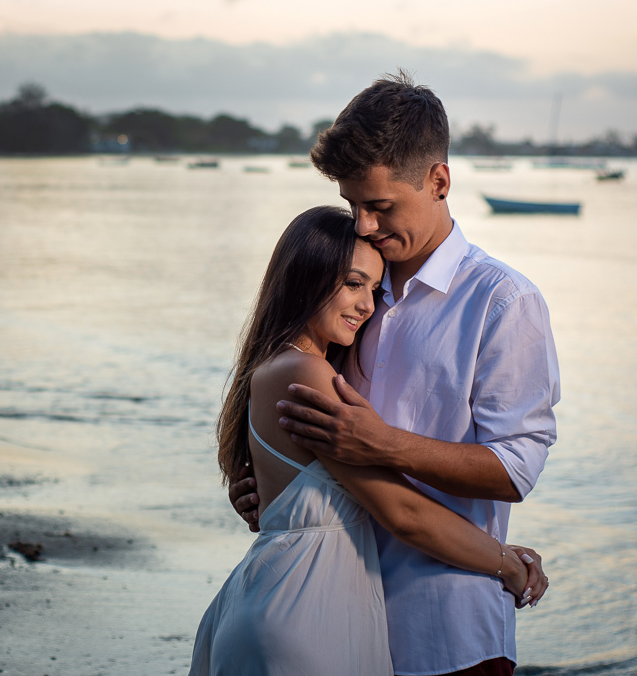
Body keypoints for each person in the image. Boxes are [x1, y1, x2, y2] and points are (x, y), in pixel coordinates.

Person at [229, 73, 560, 676]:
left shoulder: (502, 302)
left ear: (438, 180)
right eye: (354, 205)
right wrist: (276, 492)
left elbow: (515, 468)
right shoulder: (349, 295)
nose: (362, 224)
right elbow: (302, 441)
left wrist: (385, 444)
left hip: (447, 625)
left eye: (379, 206)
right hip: (336, 620)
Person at [190, 205, 547, 676]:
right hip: (305, 611)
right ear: (307, 277)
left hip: (286, 596)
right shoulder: (307, 373)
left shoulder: (284, 366)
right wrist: (506, 563)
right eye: (353, 284)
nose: (367, 305)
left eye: (374, 289)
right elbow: (404, 513)